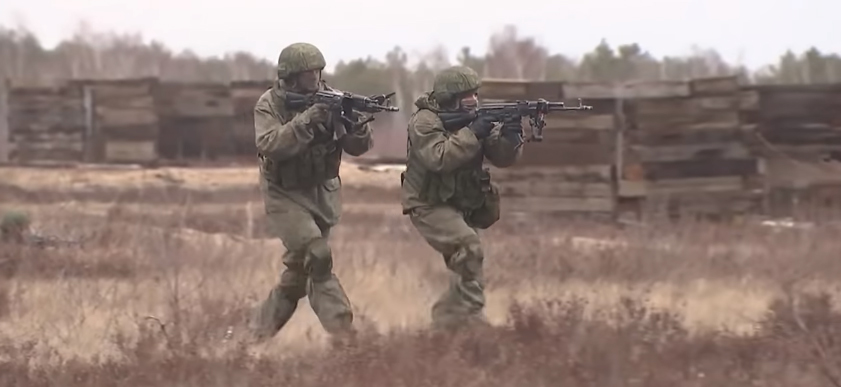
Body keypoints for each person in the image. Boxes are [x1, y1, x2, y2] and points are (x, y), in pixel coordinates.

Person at [247, 42, 374, 343]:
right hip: (285, 194)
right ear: (290, 77)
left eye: (318, 72)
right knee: (317, 255)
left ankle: (251, 339)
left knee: (296, 278)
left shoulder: (331, 99)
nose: (315, 79)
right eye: (308, 74)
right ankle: (346, 337)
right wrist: (309, 117)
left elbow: (358, 147)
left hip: (321, 195)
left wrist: (353, 124)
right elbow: (271, 144)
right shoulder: (270, 104)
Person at [400, 65, 524, 331]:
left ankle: (448, 326)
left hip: (461, 203)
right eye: (468, 96)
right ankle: (468, 319)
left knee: (468, 263)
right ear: (450, 98)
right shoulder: (424, 121)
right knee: (469, 247)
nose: (475, 101)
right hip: (428, 203)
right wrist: (474, 131)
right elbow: (439, 157)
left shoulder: (472, 119)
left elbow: (501, 157)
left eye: (476, 95)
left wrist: (511, 135)